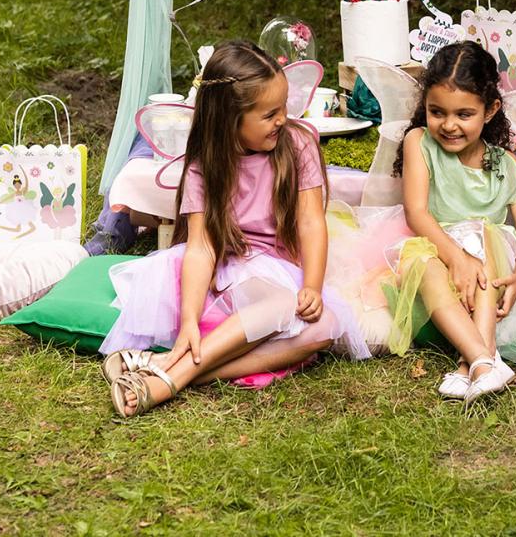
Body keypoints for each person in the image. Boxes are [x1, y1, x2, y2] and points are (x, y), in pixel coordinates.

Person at [100, 41, 369, 417]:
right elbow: (201, 248)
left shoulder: (298, 143)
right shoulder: (205, 167)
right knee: (280, 306)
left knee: (323, 328)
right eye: (269, 114)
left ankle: (166, 368)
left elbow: (310, 221)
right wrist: (189, 320)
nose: (282, 119)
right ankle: (167, 382)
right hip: (226, 270)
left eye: (284, 107)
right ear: (230, 119)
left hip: (279, 269)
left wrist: (311, 283)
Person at [389, 42, 516, 405]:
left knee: (482, 239)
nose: (448, 125)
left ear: (490, 110)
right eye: (437, 112)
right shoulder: (419, 142)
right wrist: (456, 257)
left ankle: (471, 363)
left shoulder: (507, 166)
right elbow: (417, 213)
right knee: (423, 264)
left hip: (488, 258)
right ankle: (483, 360)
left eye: (464, 114)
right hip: (437, 243)